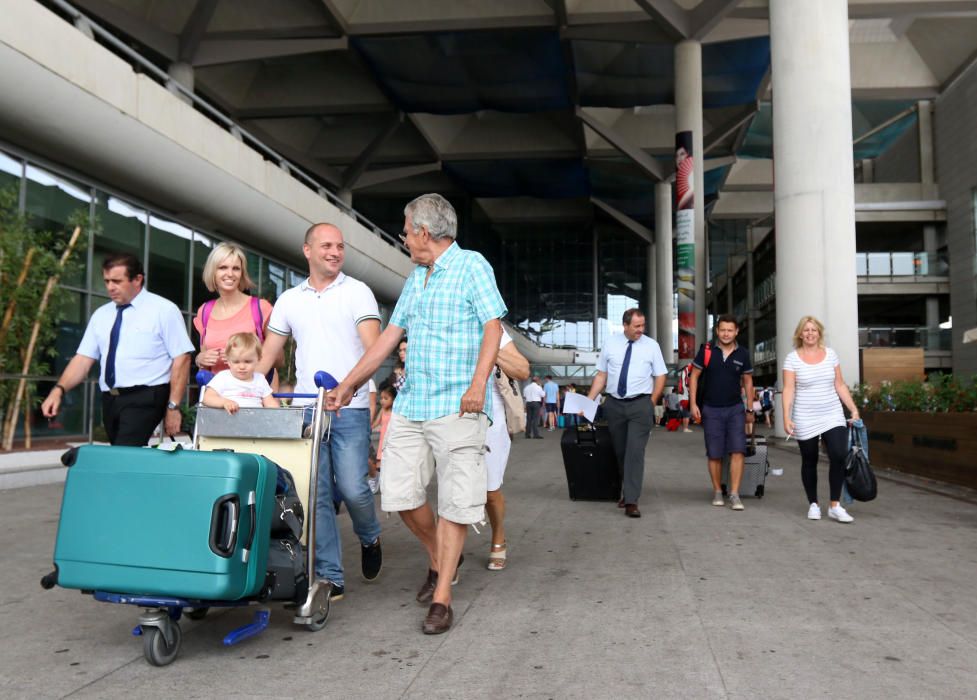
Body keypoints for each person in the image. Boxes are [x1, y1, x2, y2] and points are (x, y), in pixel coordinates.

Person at [326, 193, 506, 635]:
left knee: (456, 503)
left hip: (457, 406)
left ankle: (442, 594)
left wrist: (478, 384)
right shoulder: (416, 277)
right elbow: (389, 338)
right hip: (411, 404)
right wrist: (349, 384)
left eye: (406, 231)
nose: (403, 238)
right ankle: (442, 556)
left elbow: (493, 326)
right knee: (399, 493)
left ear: (423, 232)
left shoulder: (472, 266)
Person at [256, 222, 384, 603]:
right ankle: (330, 574)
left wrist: (348, 389)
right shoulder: (289, 299)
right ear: (307, 250)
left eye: (340, 246)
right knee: (317, 494)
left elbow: (374, 349)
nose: (334, 251)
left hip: (350, 407)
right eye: (326, 245)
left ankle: (370, 535)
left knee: (353, 488)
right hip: (307, 410)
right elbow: (267, 355)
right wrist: (246, 387)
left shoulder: (357, 292)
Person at [41, 253, 193, 446]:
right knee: (122, 455)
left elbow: (182, 357)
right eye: (106, 281)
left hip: (146, 396)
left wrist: (173, 407)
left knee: (123, 453)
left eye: (117, 281)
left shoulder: (164, 310)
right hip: (111, 399)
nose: (110, 287)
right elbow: (83, 359)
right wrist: (58, 390)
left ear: (137, 279)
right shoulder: (101, 315)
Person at [585, 308, 667, 518]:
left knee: (635, 452)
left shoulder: (652, 346)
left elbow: (660, 376)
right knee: (621, 451)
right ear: (625, 325)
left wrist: (651, 402)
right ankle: (627, 490)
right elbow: (601, 375)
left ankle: (632, 500)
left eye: (643, 325)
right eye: (637, 326)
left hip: (641, 405)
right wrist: (588, 401)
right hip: (614, 405)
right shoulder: (610, 344)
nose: (641, 330)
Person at [782, 316, 861, 523]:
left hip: (832, 413)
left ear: (819, 333)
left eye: (813, 330)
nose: (810, 333)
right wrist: (786, 417)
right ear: (800, 334)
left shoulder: (831, 355)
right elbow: (789, 389)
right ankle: (813, 504)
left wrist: (853, 409)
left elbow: (840, 385)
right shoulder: (792, 358)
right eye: (806, 330)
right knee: (809, 459)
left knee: (838, 455)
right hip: (805, 415)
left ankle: (835, 505)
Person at [688, 315, 754, 511]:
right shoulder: (707, 351)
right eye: (722, 330)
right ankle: (718, 491)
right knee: (714, 453)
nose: (726, 334)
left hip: (735, 409)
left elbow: (748, 382)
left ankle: (734, 494)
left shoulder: (743, 353)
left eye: (730, 330)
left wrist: (749, 408)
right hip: (711, 409)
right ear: (717, 331)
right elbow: (694, 377)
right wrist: (693, 404)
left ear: (736, 332)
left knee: (738, 450)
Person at [192, 242, 276, 380]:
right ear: (212, 272)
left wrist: (241, 355)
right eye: (223, 267)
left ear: (242, 273)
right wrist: (199, 359)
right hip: (217, 396)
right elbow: (205, 361)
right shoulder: (205, 311)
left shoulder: (261, 308)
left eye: (236, 268)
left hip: (252, 396)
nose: (230, 274)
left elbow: (278, 359)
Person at [486, 329, 530, 571]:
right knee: (452, 489)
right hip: (450, 414)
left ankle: (498, 536)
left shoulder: (492, 327)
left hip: (491, 417)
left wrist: (489, 348)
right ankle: (448, 557)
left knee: (489, 491)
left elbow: (522, 369)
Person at [201, 332, 279, 413]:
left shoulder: (260, 379)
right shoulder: (223, 377)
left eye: (247, 361)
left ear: (258, 359)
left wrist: (279, 414)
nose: (242, 367)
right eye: (236, 362)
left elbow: (269, 402)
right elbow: (207, 398)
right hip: (227, 421)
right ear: (228, 361)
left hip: (255, 422)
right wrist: (224, 402)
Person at [370, 384, 396, 494]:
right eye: (381, 398)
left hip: (393, 442)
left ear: (394, 399)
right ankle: (376, 482)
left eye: (386, 398)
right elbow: (375, 423)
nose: (382, 401)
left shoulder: (396, 411)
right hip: (382, 441)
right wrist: (368, 429)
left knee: (391, 464)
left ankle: (389, 485)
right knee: (379, 464)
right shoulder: (383, 411)